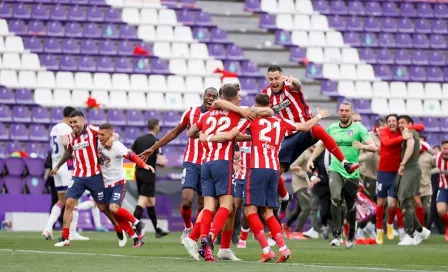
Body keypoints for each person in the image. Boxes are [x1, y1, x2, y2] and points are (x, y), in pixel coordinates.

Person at [202, 93, 329, 262]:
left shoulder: (251, 119)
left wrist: (207, 137)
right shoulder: (280, 121)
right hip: (274, 170)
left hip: (256, 169)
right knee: (268, 211)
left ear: (255, 106)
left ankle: (267, 250)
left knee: (249, 210)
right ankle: (283, 249)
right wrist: (319, 116)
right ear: (269, 105)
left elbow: (229, 135)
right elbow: (306, 127)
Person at [261, 65, 359, 218]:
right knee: (275, 172)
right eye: (271, 79)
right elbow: (262, 110)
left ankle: (345, 163)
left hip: (306, 128)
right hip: (288, 135)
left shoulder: (290, 85)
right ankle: (285, 198)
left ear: (282, 77)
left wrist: (294, 80)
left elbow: (298, 85)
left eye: (276, 78)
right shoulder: (266, 94)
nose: (274, 82)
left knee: (319, 129)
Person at [138, 87, 219, 243]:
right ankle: (188, 228)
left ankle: (199, 237)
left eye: (214, 96)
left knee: (203, 206)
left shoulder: (218, 116)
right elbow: (175, 132)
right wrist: (153, 148)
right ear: (203, 96)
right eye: (209, 95)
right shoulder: (191, 112)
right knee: (187, 201)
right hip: (191, 162)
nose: (211, 98)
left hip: (209, 163)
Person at [186, 84, 246, 262]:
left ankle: (199, 243)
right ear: (234, 99)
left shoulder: (206, 115)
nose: (240, 100)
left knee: (209, 207)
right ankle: (210, 237)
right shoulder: (238, 114)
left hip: (206, 163)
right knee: (227, 206)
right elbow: (229, 135)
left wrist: (204, 135)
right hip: (223, 163)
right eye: (238, 97)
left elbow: (190, 132)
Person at [306, 101, 377, 248]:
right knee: (336, 198)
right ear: (338, 112)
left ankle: (351, 233)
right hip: (335, 169)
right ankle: (337, 235)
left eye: (346, 110)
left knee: (350, 205)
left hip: (352, 172)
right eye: (341, 110)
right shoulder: (332, 128)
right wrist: (311, 160)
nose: (344, 113)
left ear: (350, 112)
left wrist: (362, 146)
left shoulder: (359, 128)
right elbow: (321, 144)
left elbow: (373, 147)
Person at [50, 111, 120, 247]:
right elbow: (69, 152)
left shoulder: (93, 130)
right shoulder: (70, 136)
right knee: (69, 203)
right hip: (78, 176)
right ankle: (65, 238)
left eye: (75, 122)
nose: (73, 125)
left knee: (103, 207)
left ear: (82, 120)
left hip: (94, 175)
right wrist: (58, 166)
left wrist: (111, 140)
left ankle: (118, 228)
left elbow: (114, 135)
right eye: (71, 122)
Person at [97, 123, 151, 247]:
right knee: (115, 214)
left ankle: (138, 223)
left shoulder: (116, 146)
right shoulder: (97, 142)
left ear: (110, 135)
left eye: (102, 134)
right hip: (105, 185)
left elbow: (131, 156)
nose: (99, 137)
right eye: (98, 134)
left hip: (118, 183)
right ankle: (136, 238)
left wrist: (143, 165)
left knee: (113, 208)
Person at [375, 114, 424, 244]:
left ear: (397, 123)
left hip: (397, 172)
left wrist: (407, 128)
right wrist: (402, 136)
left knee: (394, 203)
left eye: (394, 121)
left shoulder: (402, 131)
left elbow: (421, 126)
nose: (392, 123)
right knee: (380, 203)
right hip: (383, 172)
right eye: (389, 121)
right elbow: (386, 142)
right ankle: (379, 231)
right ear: (386, 123)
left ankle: (391, 225)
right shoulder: (384, 131)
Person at [43, 106, 89, 241]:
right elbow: (64, 142)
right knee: (74, 200)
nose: (74, 123)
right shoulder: (66, 128)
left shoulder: (54, 128)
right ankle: (72, 232)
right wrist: (75, 155)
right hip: (64, 167)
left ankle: (48, 228)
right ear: (70, 117)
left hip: (55, 166)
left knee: (61, 200)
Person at [395, 115, 431, 245]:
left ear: (410, 123)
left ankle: (410, 235)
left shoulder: (410, 132)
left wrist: (402, 163)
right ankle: (421, 230)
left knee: (405, 200)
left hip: (410, 168)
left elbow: (410, 147)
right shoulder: (409, 132)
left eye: (402, 122)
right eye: (399, 122)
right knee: (405, 202)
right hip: (409, 169)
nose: (400, 125)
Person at [131, 118, 168, 238]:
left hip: (138, 172)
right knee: (143, 200)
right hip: (149, 173)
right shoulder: (157, 142)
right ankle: (133, 226)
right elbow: (161, 161)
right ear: (156, 126)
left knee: (151, 202)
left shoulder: (138, 139)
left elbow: (131, 154)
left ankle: (157, 229)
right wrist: (158, 163)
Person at [356, 118, 384, 239]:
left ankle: (371, 226)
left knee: (382, 204)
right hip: (368, 174)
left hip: (382, 174)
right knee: (369, 203)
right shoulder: (368, 136)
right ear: (376, 127)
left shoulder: (386, 138)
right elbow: (362, 152)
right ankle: (360, 229)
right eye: (382, 127)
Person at [283, 147, 314, 240]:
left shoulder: (317, 153)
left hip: (308, 185)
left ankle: (285, 226)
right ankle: (297, 232)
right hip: (300, 184)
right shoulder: (304, 152)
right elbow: (293, 166)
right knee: (307, 208)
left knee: (299, 209)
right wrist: (306, 176)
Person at [307, 149, 332, 239]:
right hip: (323, 187)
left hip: (336, 186)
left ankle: (338, 231)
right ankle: (323, 226)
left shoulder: (340, 151)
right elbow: (310, 169)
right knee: (323, 211)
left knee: (336, 209)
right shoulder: (320, 153)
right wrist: (313, 178)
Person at [416, 136, 435, 228]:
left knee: (426, 210)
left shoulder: (429, 157)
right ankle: (416, 229)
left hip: (427, 187)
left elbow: (439, 166)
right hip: (414, 188)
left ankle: (425, 228)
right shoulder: (411, 155)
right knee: (414, 210)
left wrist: (431, 172)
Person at [435, 140, 448, 242]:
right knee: (440, 211)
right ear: (441, 149)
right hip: (443, 187)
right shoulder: (436, 157)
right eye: (444, 148)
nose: (446, 151)